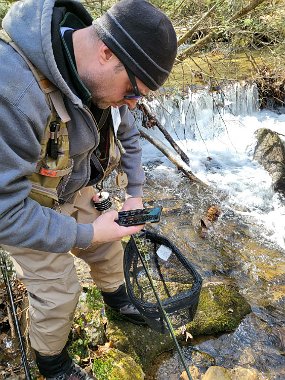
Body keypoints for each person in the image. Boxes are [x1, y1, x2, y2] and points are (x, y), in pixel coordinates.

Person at [0, 0, 177, 378]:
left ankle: (118, 300)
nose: (133, 103)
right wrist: (88, 231)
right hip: (23, 207)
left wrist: (134, 195)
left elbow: (128, 136)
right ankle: (52, 363)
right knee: (60, 289)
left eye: (140, 96)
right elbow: (4, 214)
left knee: (110, 246)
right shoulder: (11, 92)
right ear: (106, 50)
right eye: (132, 89)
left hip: (70, 189)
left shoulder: (106, 82)